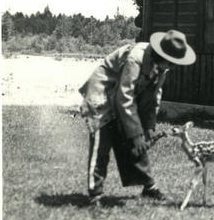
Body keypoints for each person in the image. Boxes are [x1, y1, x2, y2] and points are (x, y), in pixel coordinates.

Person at [79, 29, 196, 207]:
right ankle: (95, 194)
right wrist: (135, 134)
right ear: (161, 54)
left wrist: (148, 127)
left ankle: (149, 187)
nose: (173, 67)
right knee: (102, 143)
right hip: (102, 94)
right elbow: (124, 97)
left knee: (135, 144)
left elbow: (152, 98)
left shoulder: (162, 68)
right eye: (171, 63)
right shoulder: (135, 58)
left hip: (122, 97)